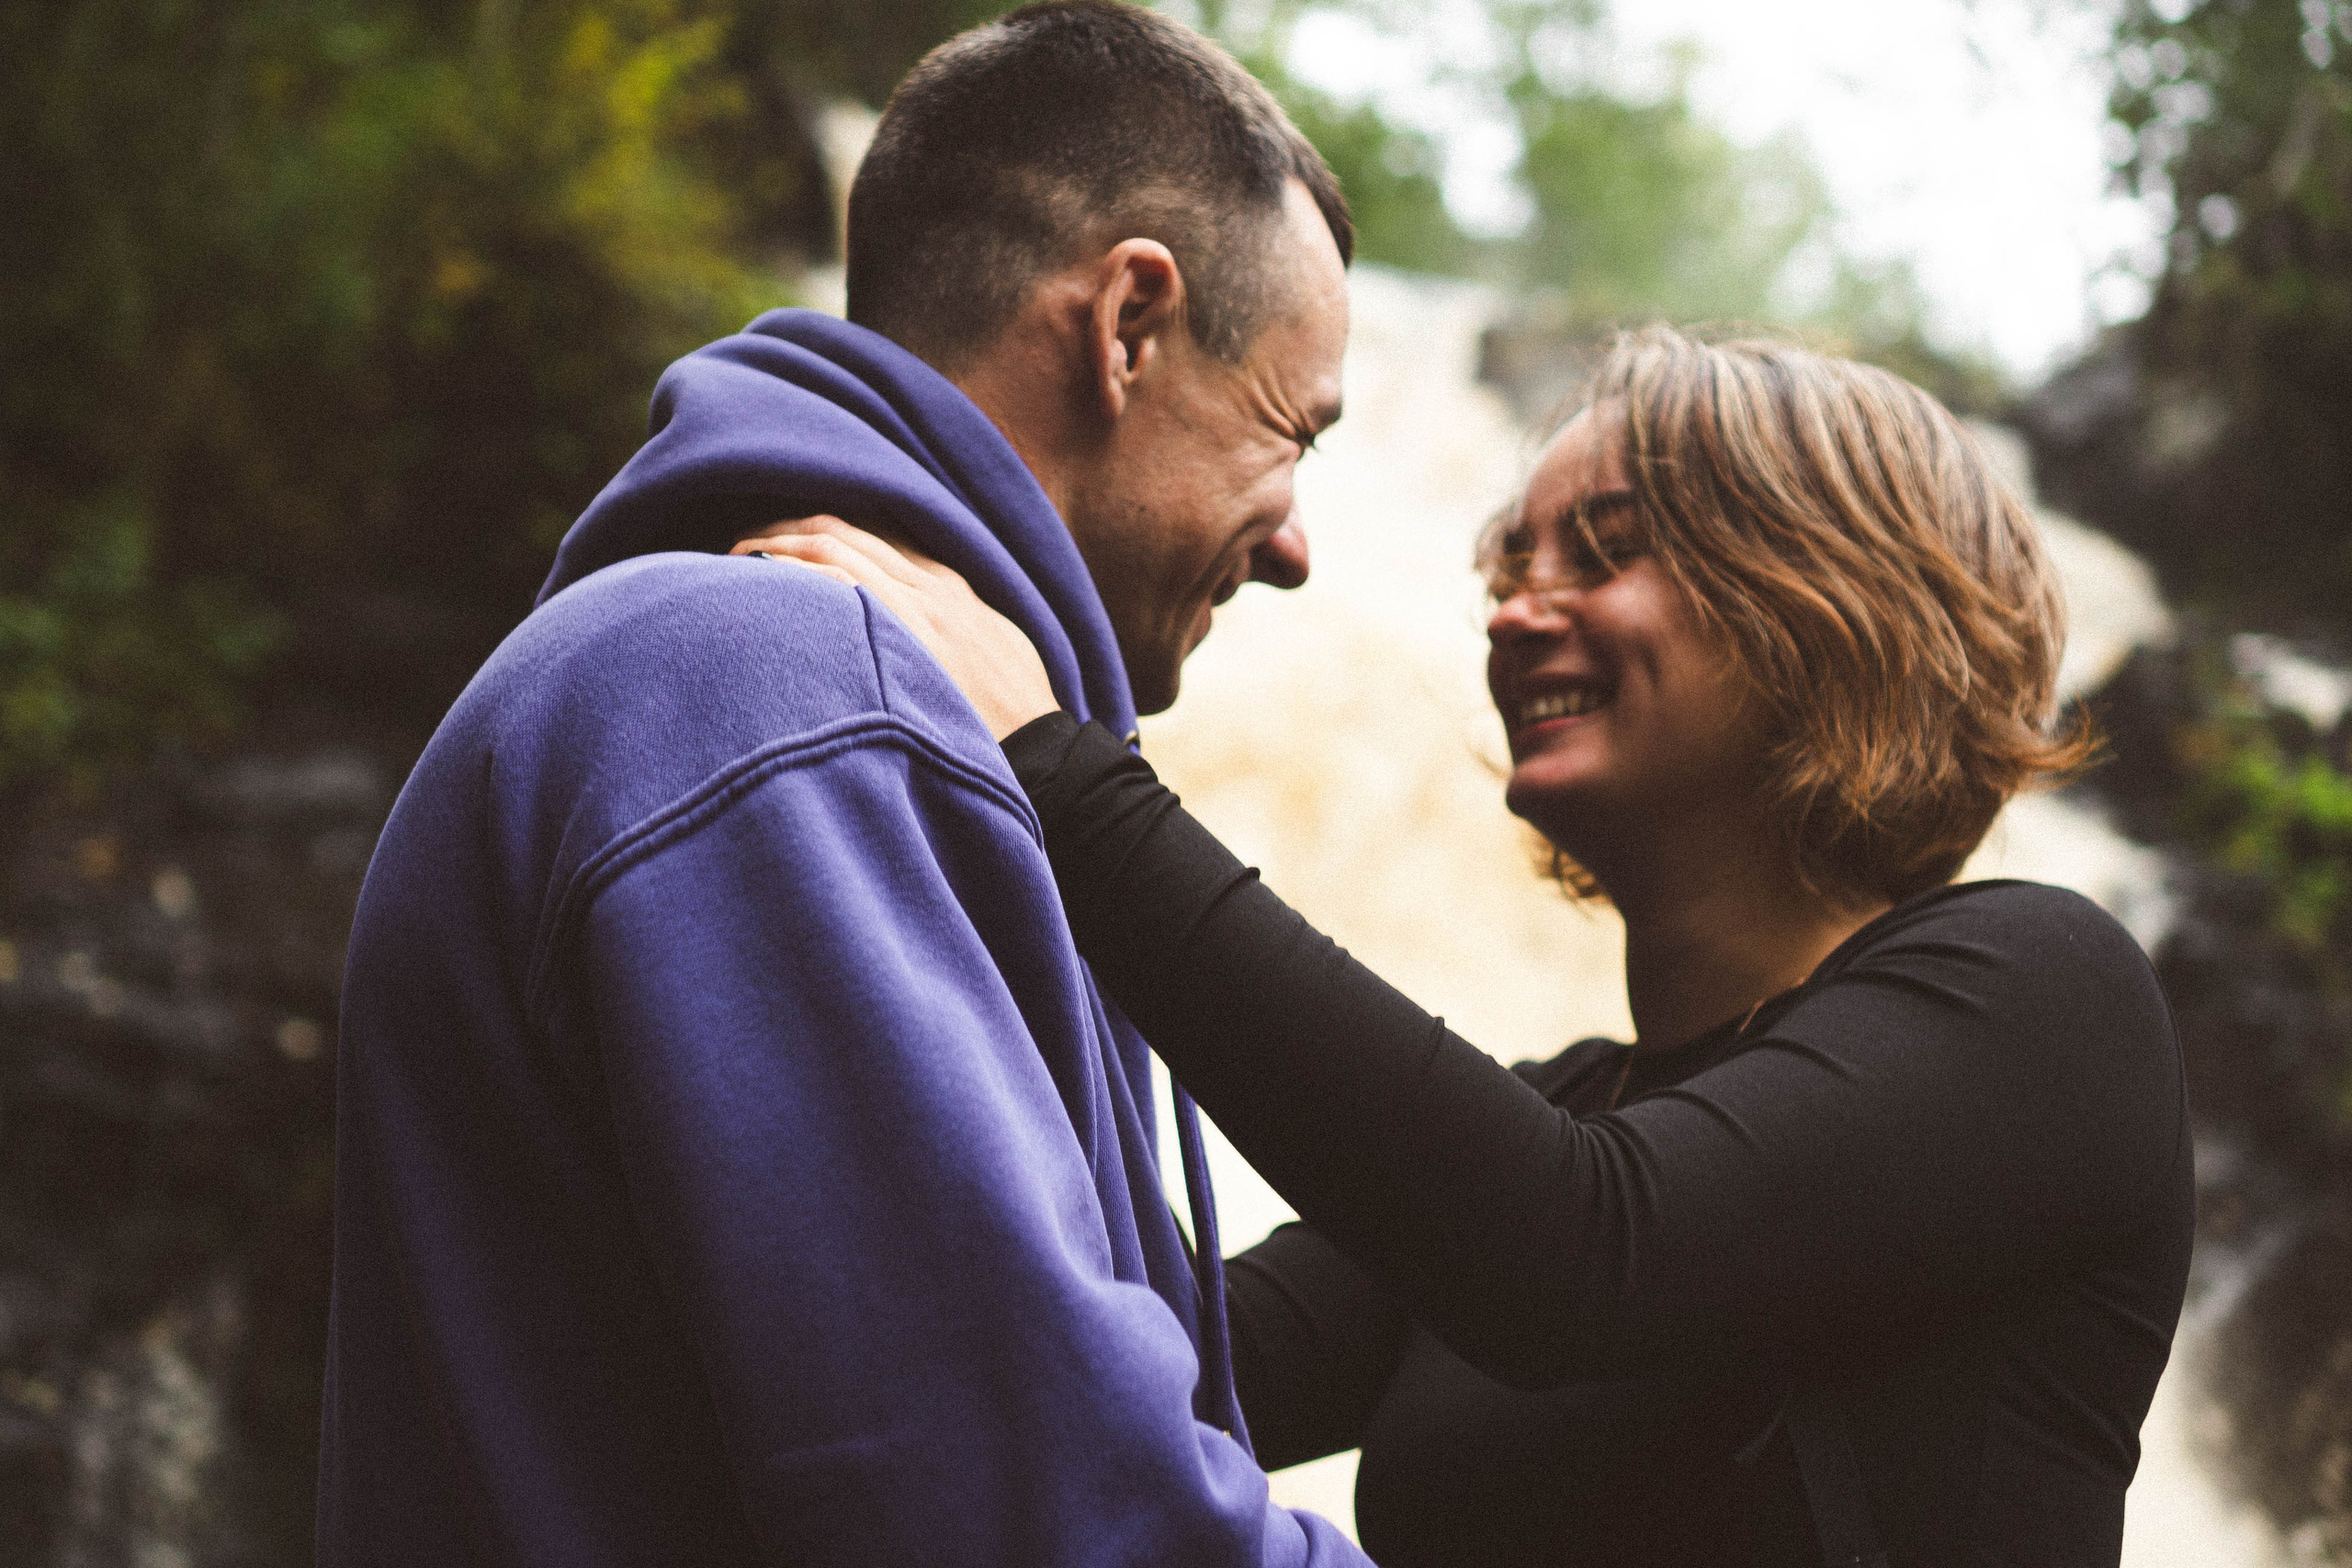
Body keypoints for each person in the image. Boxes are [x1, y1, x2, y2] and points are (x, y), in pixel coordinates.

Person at [742, 329, 2196, 1567]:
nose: (1513, 612)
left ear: (1827, 601)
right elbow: (1130, 1361)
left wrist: (1059, 770)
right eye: (1512, 562)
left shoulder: (2048, 996)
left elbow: (1579, 1260)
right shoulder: (1553, 1123)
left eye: (1605, 552)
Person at [317, 5, 1377, 1563]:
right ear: (1129, 325)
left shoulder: (750, 676)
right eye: (1291, 433)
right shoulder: (784, 699)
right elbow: (1043, 1525)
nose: (1294, 548)